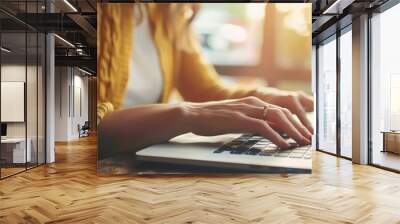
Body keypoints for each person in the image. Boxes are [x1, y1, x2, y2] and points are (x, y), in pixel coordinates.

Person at [97, 3, 314, 159]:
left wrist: (264, 97)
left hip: (141, 163)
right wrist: (186, 114)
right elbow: (78, 130)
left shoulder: (169, 11)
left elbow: (205, 91)